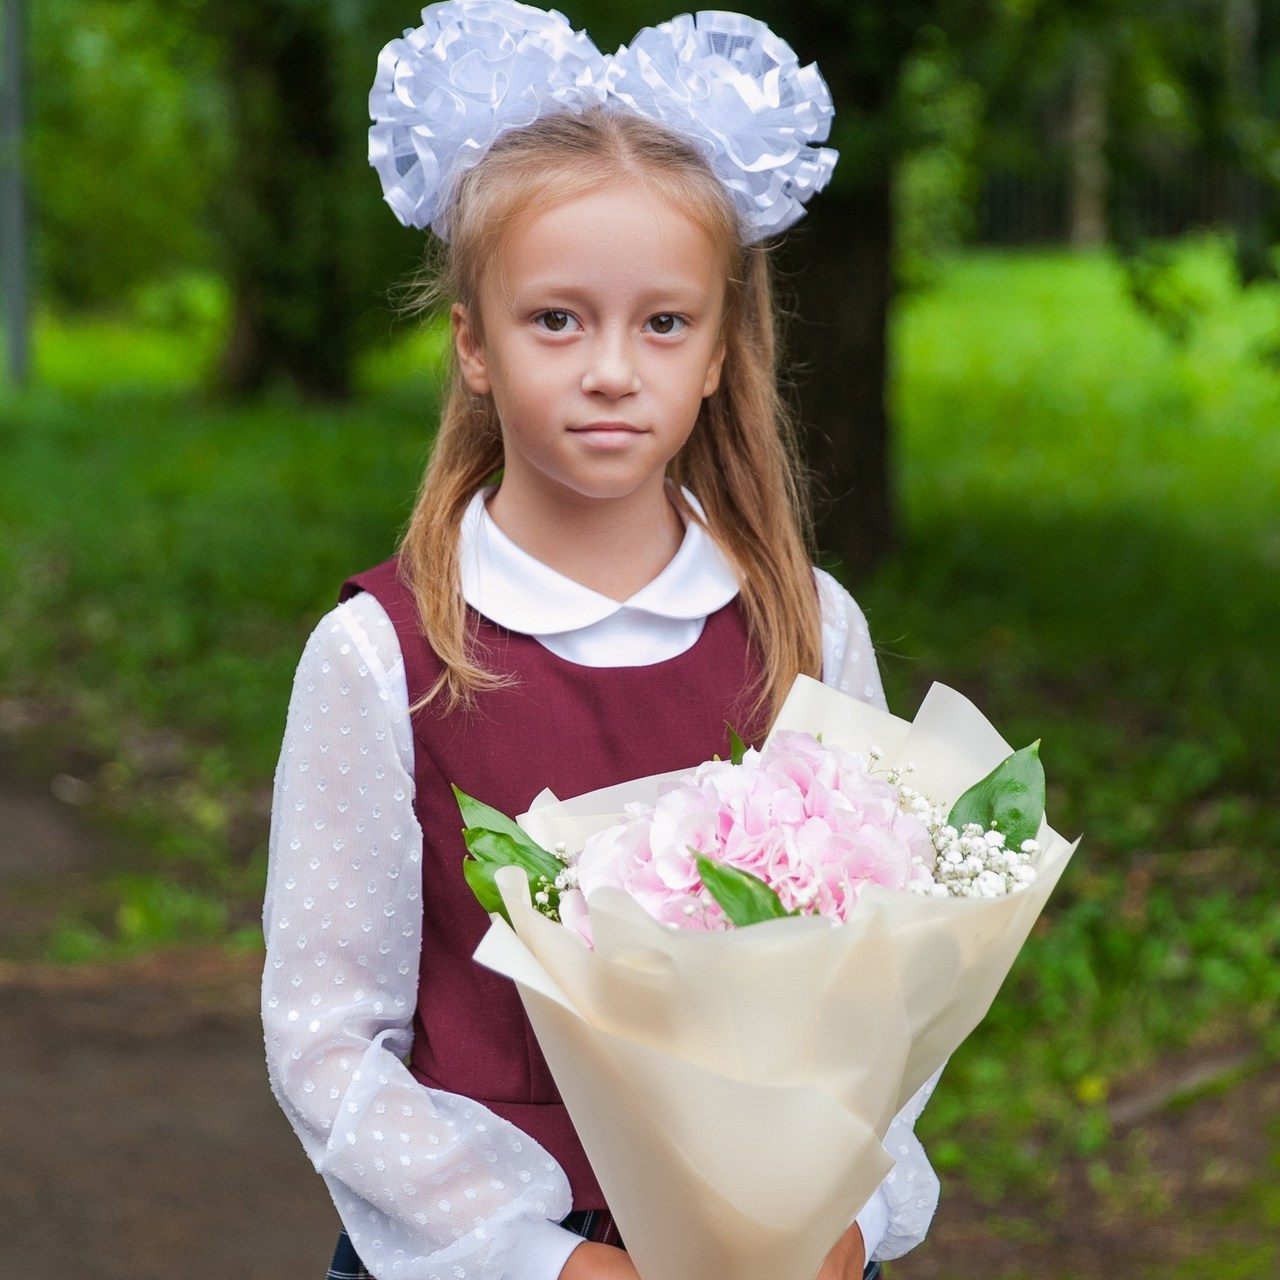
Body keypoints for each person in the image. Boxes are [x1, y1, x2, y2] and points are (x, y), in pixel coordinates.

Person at [262, 5, 940, 1279]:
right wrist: (545, 1259)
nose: (613, 370)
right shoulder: (383, 657)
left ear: (718, 348)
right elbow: (324, 1036)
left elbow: (886, 993)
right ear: (472, 340)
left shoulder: (804, 625)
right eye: (557, 320)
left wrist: (855, 1213)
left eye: (663, 324)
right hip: (493, 1254)